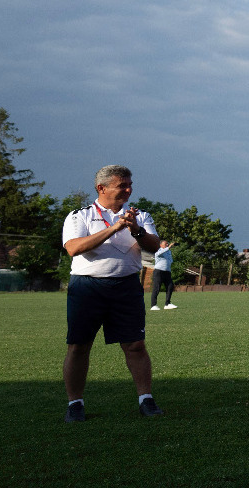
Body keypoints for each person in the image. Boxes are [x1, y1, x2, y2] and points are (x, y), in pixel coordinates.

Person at [62, 165, 163, 422]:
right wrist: (114, 228)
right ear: (102, 188)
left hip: (126, 286)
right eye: (122, 186)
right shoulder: (79, 216)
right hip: (87, 287)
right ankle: (75, 404)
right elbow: (74, 248)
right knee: (79, 346)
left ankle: (146, 400)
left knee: (136, 345)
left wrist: (136, 230)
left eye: (130, 185)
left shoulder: (140, 216)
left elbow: (155, 247)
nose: (128, 190)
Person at [149, 239, 175, 311]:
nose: (167, 245)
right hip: (158, 272)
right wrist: (168, 247)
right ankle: (153, 305)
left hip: (167, 272)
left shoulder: (168, 252)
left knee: (170, 286)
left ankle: (167, 304)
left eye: (167, 244)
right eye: (165, 244)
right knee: (156, 288)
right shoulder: (158, 251)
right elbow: (160, 253)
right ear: (161, 245)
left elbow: (171, 260)